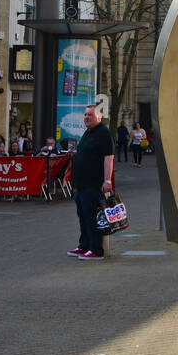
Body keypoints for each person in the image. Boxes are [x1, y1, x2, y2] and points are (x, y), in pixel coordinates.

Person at [66, 105, 114, 260]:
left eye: (90, 115)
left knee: (91, 216)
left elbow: (108, 158)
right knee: (83, 216)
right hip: (81, 184)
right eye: (85, 114)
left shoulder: (103, 133)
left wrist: (107, 180)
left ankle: (96, 250)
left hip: (93, 184)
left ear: (98, 117)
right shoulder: (88, 132)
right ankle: (84, 245)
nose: (86, 117)